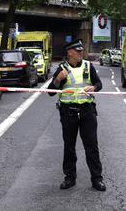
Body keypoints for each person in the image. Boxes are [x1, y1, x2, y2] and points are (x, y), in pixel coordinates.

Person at [48, 39, 106, 191]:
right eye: (78, 51)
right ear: (70, 53)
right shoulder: (62, 68)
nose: (81, 53)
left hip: (87, 111)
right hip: (68, 113)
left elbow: (99, 84)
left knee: (92, 147)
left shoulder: (88, 66)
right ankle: (69, 178)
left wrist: (93, 87)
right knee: (69, 147)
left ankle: (97, 179)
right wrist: (58, 79)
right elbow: (50, 92)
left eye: (81, 51)